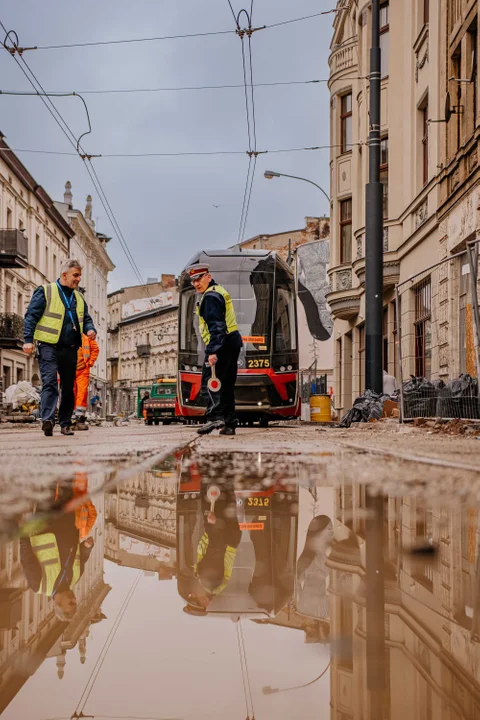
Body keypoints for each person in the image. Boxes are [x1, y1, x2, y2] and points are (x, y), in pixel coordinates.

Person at [23, 260, 97, 437]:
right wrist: (28, 339)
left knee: (68, 387)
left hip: (70, 349)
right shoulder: (46, 291)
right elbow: (31, 316)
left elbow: (86, 318)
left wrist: (90, 328)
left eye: (79, 275)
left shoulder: (79, 298)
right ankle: (47, 420)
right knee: (49, 382)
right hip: (48, 346)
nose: (78, 279)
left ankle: (65, 424)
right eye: (75, 275)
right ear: (64, 275)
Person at [19, 479, 96, 621]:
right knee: (67, 481)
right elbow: (81, 558)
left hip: (46, 521)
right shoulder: (75, 578)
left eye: (71, 603)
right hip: (68, 518)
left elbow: (27, 557)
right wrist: (87, 548)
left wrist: (23, 533)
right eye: (75, 603)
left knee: (49, 483)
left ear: (58, 603)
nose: (74, 599)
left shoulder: (39, 585)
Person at [186, 264, 243, 436]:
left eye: (199, 279)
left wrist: (212, 351)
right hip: (232, 342)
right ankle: (229, 423)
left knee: (210, 383)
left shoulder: (210, 296)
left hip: (222, 344)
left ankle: (215, 417)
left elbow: (217, 326)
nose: (196, 284)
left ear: (208, 277)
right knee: (226, 386)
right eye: (193, 281)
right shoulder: (219, 291)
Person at [73, 333, 99, 431]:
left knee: (82, 393)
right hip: (69, 370)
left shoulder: (86, 338)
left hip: (82, 370)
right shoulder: (66, 335)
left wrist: (90, 362)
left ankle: (79, 419)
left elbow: (95, 349)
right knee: (70, 394)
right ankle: (71, 419)